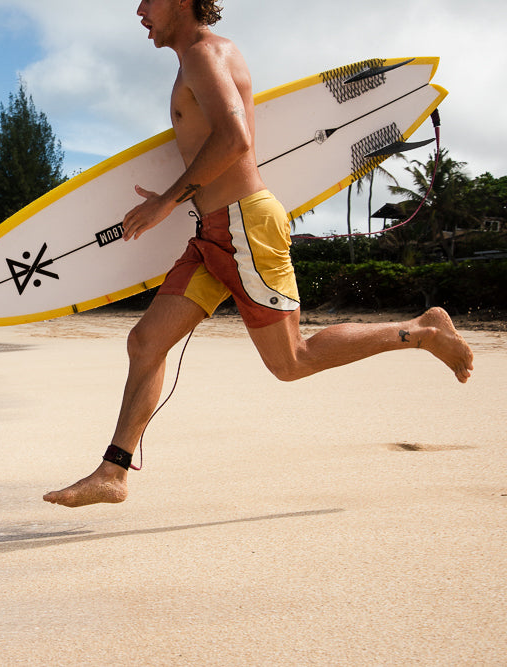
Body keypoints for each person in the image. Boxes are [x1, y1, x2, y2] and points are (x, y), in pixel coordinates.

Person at [42, 0, 474, 508]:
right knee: (145, 341)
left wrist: (166, 201)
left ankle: (421, 332)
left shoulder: (205, 54)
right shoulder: (196, 60)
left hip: (245, 225)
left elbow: (235, 139)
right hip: (214, 232)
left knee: (292, 361)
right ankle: (113, 473)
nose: (139, 9)